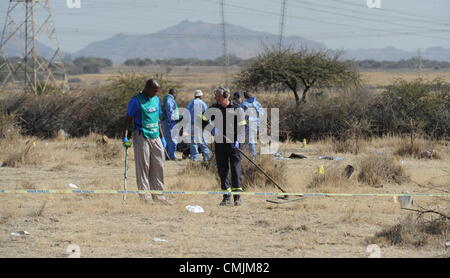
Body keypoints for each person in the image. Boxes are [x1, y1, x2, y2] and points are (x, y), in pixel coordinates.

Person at [123, 79, 173, 205]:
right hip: (141, 135)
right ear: (147, 88)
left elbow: (157, 120)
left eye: (157, 91)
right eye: (154, 91)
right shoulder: (136, 100)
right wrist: (126, 137)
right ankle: (145, 198)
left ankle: (159, 197)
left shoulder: (156, 99)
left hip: (155, 136)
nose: (155, 93)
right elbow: (128, 119)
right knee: (143, 166)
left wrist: (162, 138)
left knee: (158, 165)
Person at [207, 86, 246, 206]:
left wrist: (238, 140)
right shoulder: (214, 108)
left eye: (219, 96)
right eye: (216, 96)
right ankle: (226, 196)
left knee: (235, 169)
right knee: (222, 171)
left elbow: (242, 126)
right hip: (220, 144)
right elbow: (201, 120)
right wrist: (210, 128)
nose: (216, 98)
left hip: (234, 145)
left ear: (226, 96)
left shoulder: (237, 109)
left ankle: (237, 197)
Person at [185, 89, 211, 161]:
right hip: (200, 125)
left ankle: (194, 158)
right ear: (200, 96)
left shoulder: (190, 103)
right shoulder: (203, 103)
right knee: (202, 141)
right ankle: (206, 157)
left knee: (193, 142)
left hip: (192, 125)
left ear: (195, 96)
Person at [161, 88, 180, 160]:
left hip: (166, 122)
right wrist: (171, 122)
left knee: (168, 139)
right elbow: (169, 111)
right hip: (169, 122)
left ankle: (167, 155)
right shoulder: (170, 99)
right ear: (174, 93)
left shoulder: (166, 99)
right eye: (176, 94)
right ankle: (172, 156)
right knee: (173, 139)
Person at [242, 91, 263, 156]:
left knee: (250, 141)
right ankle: (247, 155)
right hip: (257, 124)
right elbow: (262, 113)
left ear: (245, 97)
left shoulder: (244, 103)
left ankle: (252, 156)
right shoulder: (257, 103)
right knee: (251, 140)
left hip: (249, 124)